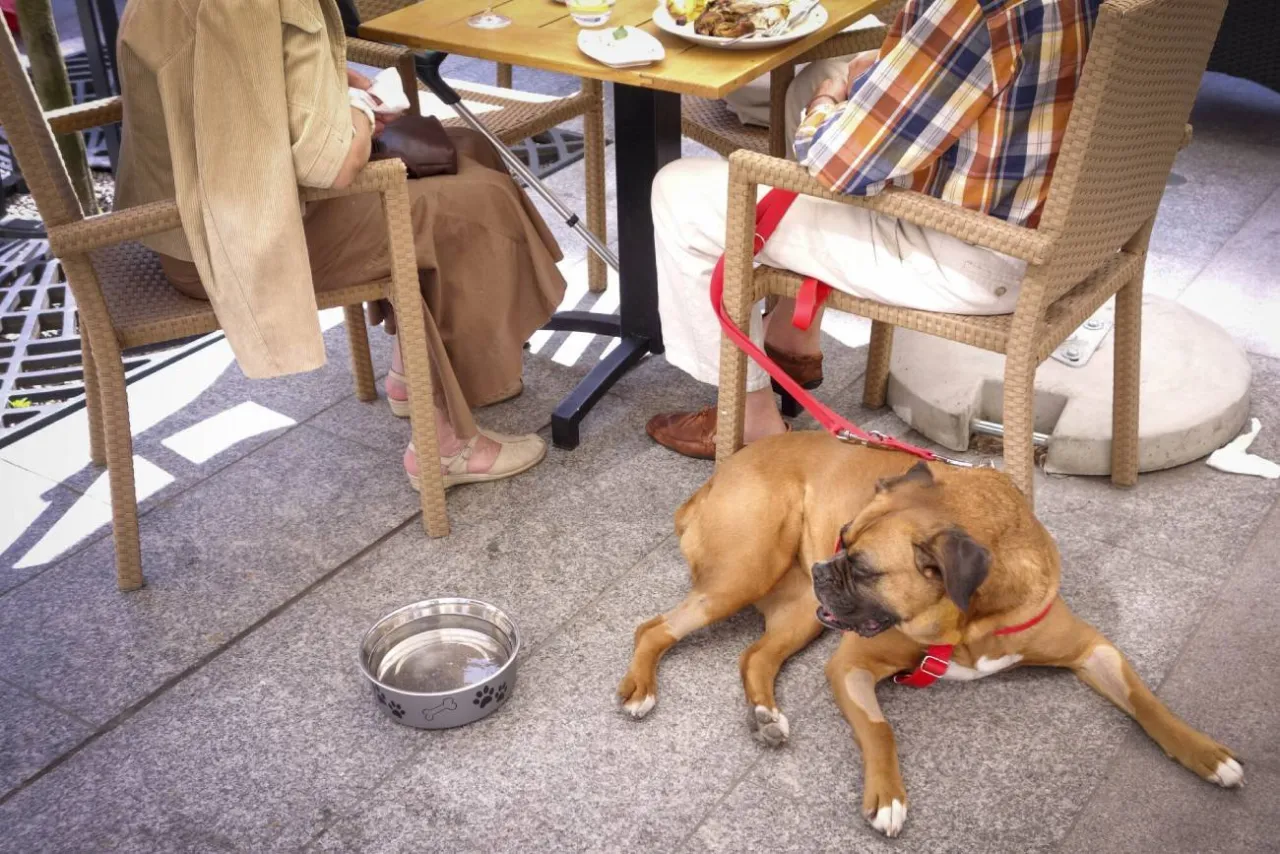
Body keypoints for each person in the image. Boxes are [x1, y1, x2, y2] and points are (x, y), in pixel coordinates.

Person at [114, 0, 564, 488]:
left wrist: (325, 92)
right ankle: (445, 445)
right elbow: (333, 166)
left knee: (465, 148)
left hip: (196, 219)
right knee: (470, 205)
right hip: (233, 243)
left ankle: (416, 377)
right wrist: (361, 111)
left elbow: (229, 87)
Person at [646, 0, 1101, 459]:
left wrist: (830, 101)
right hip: (1057, 228)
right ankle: (791, 335)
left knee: (678, 191)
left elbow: (835, 161)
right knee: (809, 81)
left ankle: (751, 424)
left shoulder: (977, 8)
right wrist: (851, 85)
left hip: (971, 254)